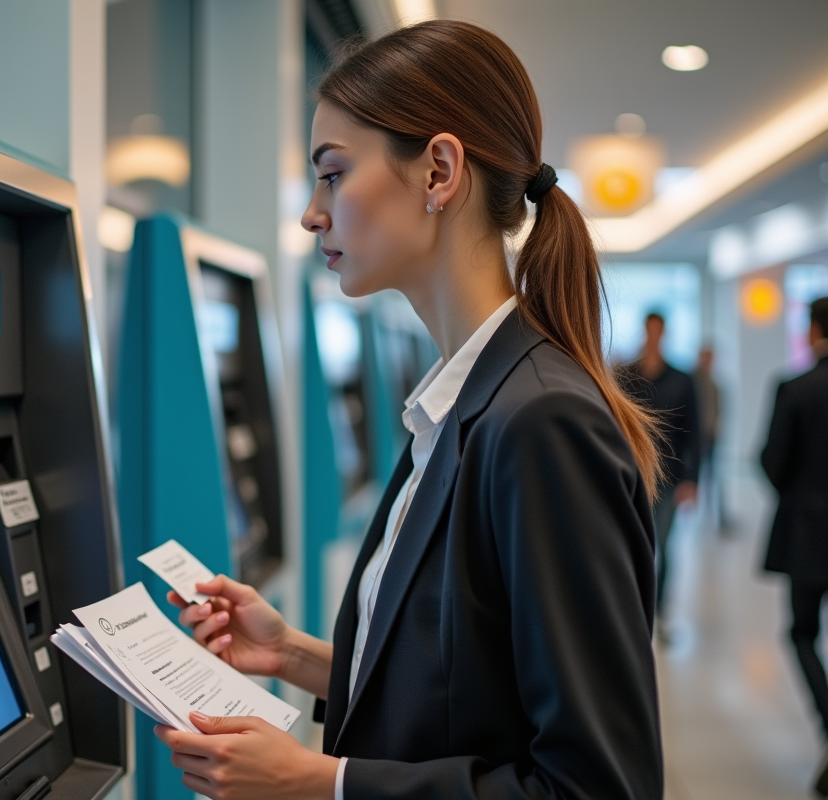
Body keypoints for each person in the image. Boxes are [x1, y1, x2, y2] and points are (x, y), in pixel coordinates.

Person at [152, 21, 663, 800]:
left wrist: (323, 785)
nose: (311, 214)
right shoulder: (462, 403)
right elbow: (470, 688)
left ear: (439, 171)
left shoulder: (540, 422)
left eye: (333, 174)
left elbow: (595, 786)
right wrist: (293, 654)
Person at [761, 296, 828, 797]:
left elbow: (773, 461)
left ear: (813, 329)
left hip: (810, 536)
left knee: (802, 632)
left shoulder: (795, 387)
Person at [619, 312, 699, 627]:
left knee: (663, 542)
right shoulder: (626, 375)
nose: (653, 336)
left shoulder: (682, 378)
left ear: (663, 333)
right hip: (631, 473)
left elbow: (693, 432)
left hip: (668, 475)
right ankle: (632, 604)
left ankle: (660, 606)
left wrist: (692, 479)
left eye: (658, 331)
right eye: (649, 330)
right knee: (632, 541)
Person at [692, 345, 730, 532]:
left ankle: (718, 518)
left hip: (710, 437)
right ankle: (698, 516)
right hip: (695, 438)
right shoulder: (692, 381)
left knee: (714, 477)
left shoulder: (714, 384)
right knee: (696, 476)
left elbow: (718, 410)